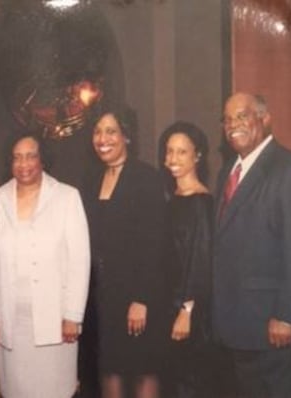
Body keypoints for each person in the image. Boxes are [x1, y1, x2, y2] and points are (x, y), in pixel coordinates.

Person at [212, 92, 291, 398]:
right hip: (240, 329)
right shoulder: (227, 173)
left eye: (243, 115)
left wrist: (287, 315)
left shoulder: (290, 172)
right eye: (227, 119)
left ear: (265, 118)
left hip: (276, 330)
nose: (233, 124)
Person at [0, 133, 90, 398]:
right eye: (17, 157)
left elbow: (79, 259)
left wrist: (73, 314)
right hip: (10, 323)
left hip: (56, 322)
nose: (24, 164)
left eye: (30, 156)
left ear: (42, 159)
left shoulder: (67, 197)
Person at [82, 105, 173, 398]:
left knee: (143, 373)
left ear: (126, 137)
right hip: (103, 299)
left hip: (138, 299)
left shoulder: (146, 178)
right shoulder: (90, 179)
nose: (102, 138)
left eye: (111, 131)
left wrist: (141, 299)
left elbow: (155, 243)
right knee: (110, 373)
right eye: (97, 131)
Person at [158, 121, 216, 397]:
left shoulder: (202, 203)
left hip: (189, 313)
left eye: (182, 152)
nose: (172, 159)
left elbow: (200, 261)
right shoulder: (173, 200)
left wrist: (186, 311)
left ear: (198, 155)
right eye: (169, 151)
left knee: (189, 386)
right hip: (169, 308)